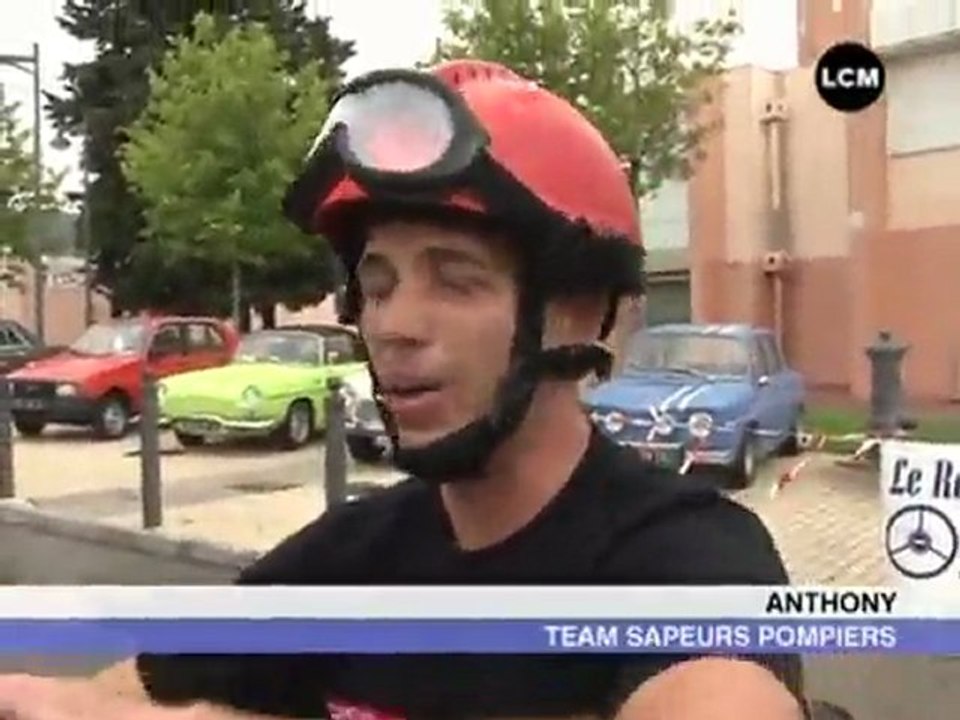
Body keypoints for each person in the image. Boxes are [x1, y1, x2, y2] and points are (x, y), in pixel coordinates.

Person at [0, 59, 806, 720]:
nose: (394, 325)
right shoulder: (348, 557)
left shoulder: (688, 557)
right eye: (378, 286)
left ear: (577, 311)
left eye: (454, 280)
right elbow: (115, 695)